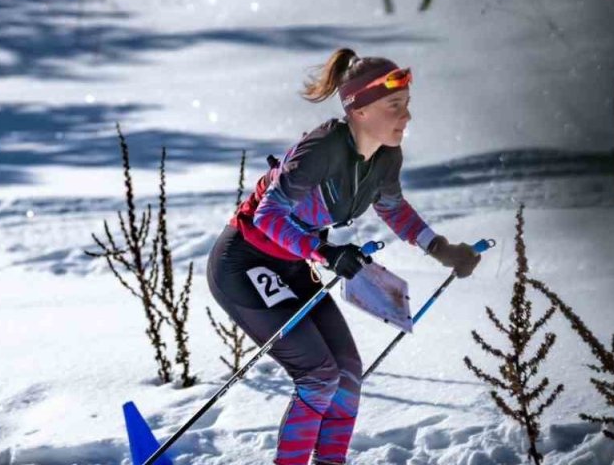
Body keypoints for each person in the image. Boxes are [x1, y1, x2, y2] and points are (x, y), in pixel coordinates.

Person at [205, 47, 482, 465]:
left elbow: (393, 208)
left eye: (406, 104)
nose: (407, 116)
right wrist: (324, 251)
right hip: (244, 263)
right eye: (394, 105)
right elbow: (268, 215)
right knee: (318, 376)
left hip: (294, 262)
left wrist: (441, 248)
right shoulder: (321, 149)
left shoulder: (386, 155)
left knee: (348, 374)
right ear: (360, 110)